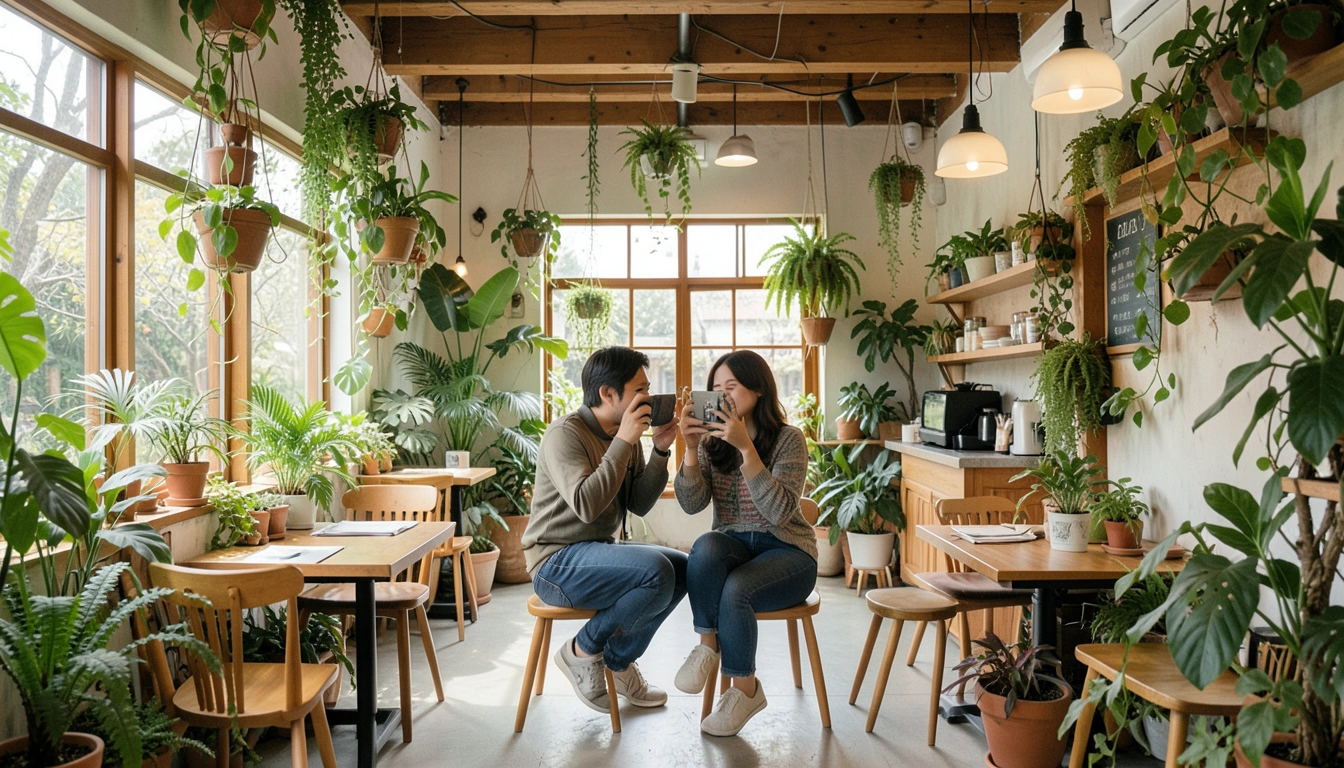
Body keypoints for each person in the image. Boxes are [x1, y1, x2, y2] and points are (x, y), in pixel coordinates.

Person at [523, 346, 688, 715]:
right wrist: (624, 442)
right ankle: (583, 650)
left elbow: (638, 504)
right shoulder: (565, 434)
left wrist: (660, 450)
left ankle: (616, 663)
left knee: (682, 569)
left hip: (597, 554)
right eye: (640, 390)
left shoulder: (624, 435)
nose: (648, 398)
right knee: (657, 572)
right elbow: (586, 504)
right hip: (555, 565)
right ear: (608, 394)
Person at [672, 350, 817, 737]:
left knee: (736, 590)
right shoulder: (709, 444)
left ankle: (745, 690)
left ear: (758, 388)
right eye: (716, 389)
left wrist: (746, 450)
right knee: (704, 547)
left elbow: (778, 512)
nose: (723, 395)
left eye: (731, 387)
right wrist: (688, 448)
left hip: (789, 552)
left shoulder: (789, 440)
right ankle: (707, 645)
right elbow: (691, 504)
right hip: (735, 545)